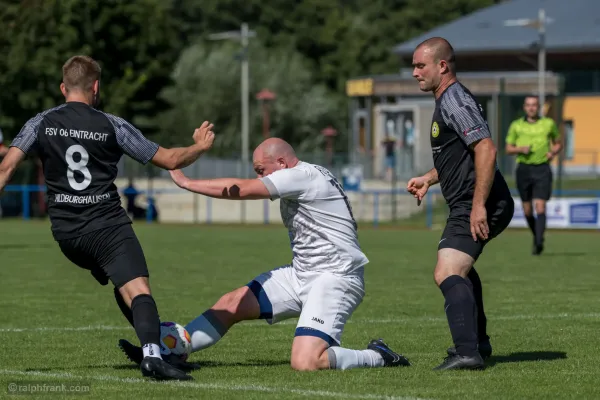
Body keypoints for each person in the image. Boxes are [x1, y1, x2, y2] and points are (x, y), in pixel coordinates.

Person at [0, 55, 215, 381]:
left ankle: (151, 347)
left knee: (123, 283)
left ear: (63, 87)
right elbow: (170, 160)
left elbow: (5, 169)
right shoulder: (113, 125)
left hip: (67, 235)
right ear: (96, 87)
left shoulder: (40, 122)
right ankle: (154, 358)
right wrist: (198, 147)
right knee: (138, 288)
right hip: (106, 224)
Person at [118, 137, 411, 371]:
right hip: (302, 274)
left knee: (305, 362)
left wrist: (188, 183)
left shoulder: (300, 175)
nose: (259, 176)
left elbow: (243, 190)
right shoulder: (305, 174)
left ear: (281, 163)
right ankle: (174, 350)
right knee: (232, 304)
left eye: (262, 170)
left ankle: (378, 356)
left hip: (334, 278)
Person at [407, 37, 514, 370]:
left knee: (448, 270)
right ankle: (478, 343)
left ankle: (467, 352)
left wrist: (478, 206)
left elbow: (485, 148)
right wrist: (429, 177)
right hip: (469, 203)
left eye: (420, 65)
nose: (414, 73)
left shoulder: (453, 98)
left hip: (477, 203)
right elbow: (460, 157)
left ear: (442, 66)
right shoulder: (447, 100)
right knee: (461, 270)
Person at [506, 96, 561, 255]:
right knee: (528, 210)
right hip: (523, 169)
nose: (531, 108)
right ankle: (537, 236)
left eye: (534, 105)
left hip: (542, 168)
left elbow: (558, 142)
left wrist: (553, 152)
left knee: (540, 206)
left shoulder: (548, 124)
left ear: (538, 107)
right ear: (524, 107)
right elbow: (508, 148)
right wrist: (520, 149)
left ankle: (538, 242)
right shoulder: (516, 125)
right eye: (528, 105)